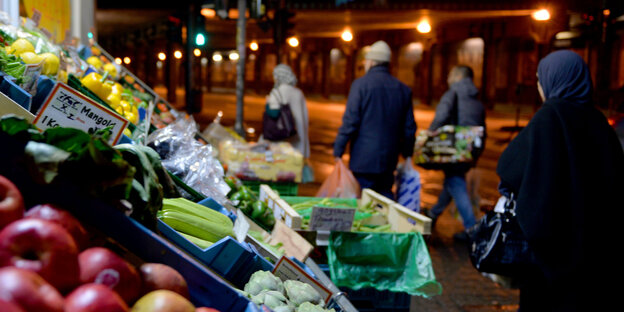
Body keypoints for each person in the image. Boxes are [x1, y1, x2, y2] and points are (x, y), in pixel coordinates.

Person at [496, 50, 624, 311]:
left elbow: (509, 166)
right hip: (597, 255)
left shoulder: (549, 117)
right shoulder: (599, 122)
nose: (539, 87)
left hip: (551, 254)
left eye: (539, 81)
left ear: (552, 81)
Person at [333, 40, 417, 199]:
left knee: (364, 201)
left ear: (371, 61)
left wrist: (339, 149)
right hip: (389, 158)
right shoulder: (403, 89)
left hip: (363, 158)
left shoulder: (360, 85)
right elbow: (409, 127)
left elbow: (351, 121)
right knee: (385, 198)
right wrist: (407, 153)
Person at [424, 65, 486, 241]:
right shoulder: (476, 99)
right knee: (452, 181)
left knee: (455, 182)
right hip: (470, 148)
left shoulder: (453, 93)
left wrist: (429, 135)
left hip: (453, 148)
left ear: (458, 75)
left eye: (450, 74)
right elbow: (483, 127)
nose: (448, 78)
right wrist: (477, 153)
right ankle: (434, 213)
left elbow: (442, 115)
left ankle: (471, 228)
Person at [265, 64, 312, 181]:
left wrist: (267, 104)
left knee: (282, 173)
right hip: (297, 137)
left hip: (282, 140)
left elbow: (274, 113)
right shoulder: (298, 92)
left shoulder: (276, 92)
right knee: (294, 173)